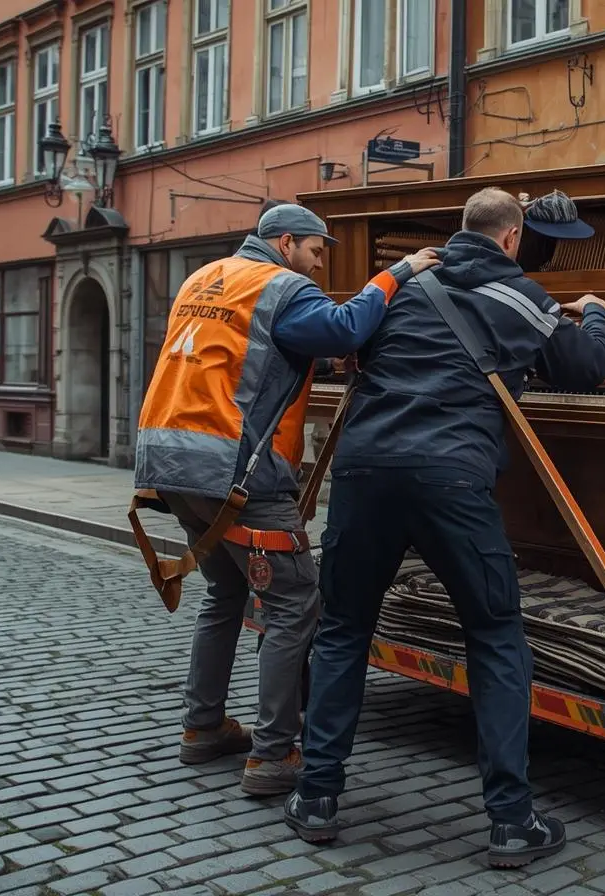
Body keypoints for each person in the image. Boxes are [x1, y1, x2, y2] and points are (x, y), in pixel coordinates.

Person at [285, 186, 605, 867]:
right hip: (450, 478)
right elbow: (585, 367)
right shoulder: (522, 294)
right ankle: (510, 821)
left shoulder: (404, 281)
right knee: (494, 635)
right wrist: (599, 316)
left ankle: (316, 797)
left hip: (364, 469)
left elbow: (351, 349)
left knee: (344, 628)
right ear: (512, 238)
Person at [133, 202, 439, 796]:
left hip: (169, 463)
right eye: (317, 251)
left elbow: (250, 354)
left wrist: (320, 358)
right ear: (287, 243)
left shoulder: (207, 276)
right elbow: (346, 326)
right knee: (295, 602)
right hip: (236, 472)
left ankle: (203, 728)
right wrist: (397, 273)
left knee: (225, 591)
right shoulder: (283, 285)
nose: (320, 264)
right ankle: (274, 754)